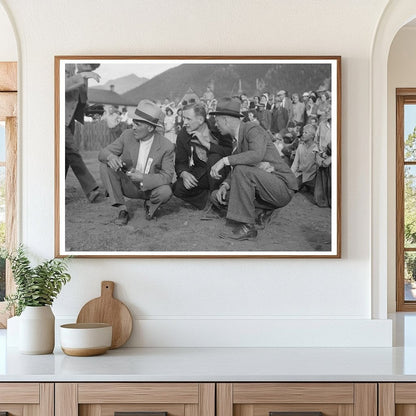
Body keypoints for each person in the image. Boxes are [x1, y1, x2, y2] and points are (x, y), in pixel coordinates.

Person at [209, 97, 298, 241]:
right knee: (217, 196)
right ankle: (262, 211)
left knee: (242, 171)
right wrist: (226, 184)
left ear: (226, 120)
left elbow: (256, 155)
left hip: (282, 187)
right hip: (264, 188)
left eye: (217, 120)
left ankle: (248, 227)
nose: (215, 124)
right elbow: (240, 166)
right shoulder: (237, 140)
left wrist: (224, 161)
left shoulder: (252, 129)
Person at [98, 99, 175, 225]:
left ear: (150, 128)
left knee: (166, 191)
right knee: (104, 165)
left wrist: (143, 178)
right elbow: (103, 153)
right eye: (133, 123)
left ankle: (150, 205)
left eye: (138, 124)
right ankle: (122, 210)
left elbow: (167, 176)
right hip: (128, 185)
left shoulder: (166, 146)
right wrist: (111, 157)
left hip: (150, 190)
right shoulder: (127, 135)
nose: (133, 127)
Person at [173, 103, 232, 210]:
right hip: (202, 172)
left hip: (222, 172)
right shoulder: (183, 135)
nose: (184, 123)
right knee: (178, 188)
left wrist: (207, 144)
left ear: (200, 120)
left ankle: (218, 194)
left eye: (188, 119)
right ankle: (208, 199)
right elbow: (180, 162)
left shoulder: (218, 128)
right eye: (183, 118)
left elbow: (229, 152)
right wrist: (184, 173)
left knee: (214, 157)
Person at [65, 63, 101, 203]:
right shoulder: (66, 66)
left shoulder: (82, 75)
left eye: (92, 67)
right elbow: (60, 86)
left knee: (66, 157)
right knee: (73, 151)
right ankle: (91, 189)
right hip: (57, 119)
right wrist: (83, 75)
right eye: (88, 65)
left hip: (69, 121)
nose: (91, 69)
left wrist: (92, 112)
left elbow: (80, 101)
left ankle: (56, 191)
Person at [291, 124, 319, 193]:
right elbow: (295, 163)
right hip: (300, 174)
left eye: (306, 133)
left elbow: (318, 166)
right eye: (303, 132)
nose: (303, 134)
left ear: (312, 136)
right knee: (290, 186)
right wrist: (290, 175)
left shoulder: (316, 148)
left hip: (312, 176)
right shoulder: (300, 146)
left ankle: (307, 185)